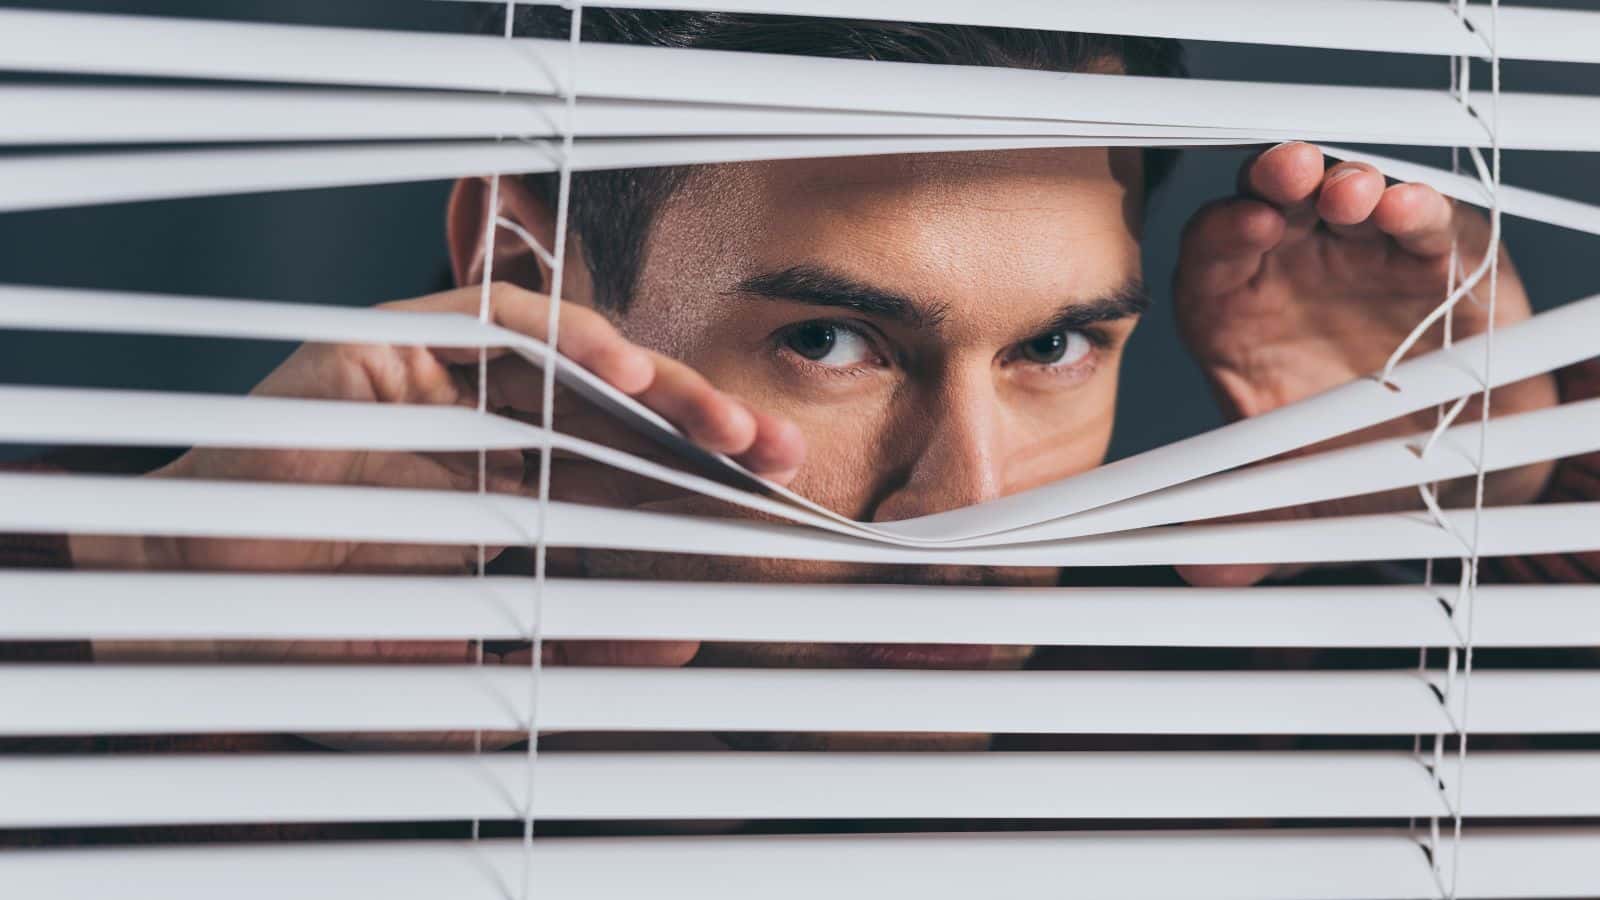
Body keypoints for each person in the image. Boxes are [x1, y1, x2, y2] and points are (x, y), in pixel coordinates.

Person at [3, 11, 1597, 832]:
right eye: (830, 339)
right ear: (517, 265)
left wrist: (1519, 487)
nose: (971, 508)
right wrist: (135, 599)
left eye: (1054, 346)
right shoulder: (176, 708)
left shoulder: (1269, 774)